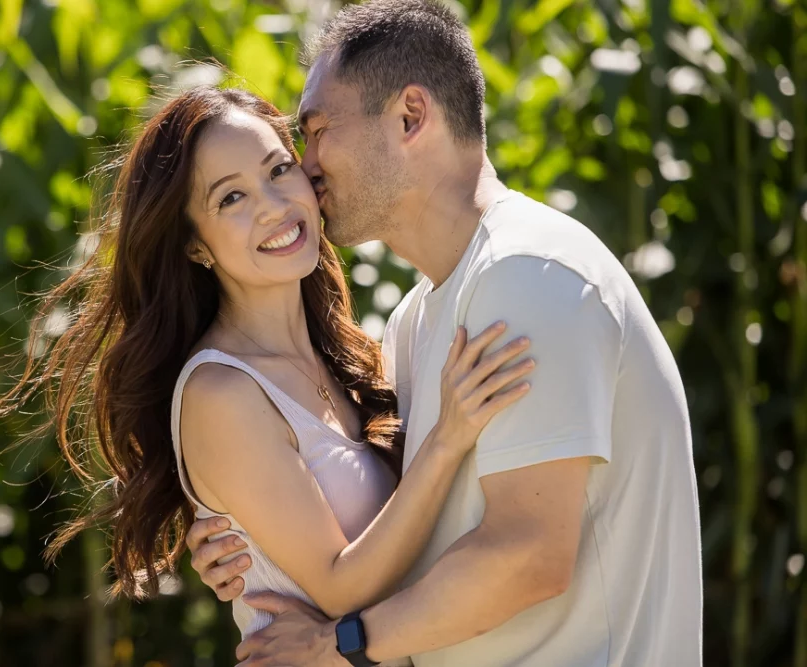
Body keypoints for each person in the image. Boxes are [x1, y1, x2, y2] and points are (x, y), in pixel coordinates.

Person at [186, 1, 704, 665]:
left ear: (410, 116)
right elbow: (389, 519)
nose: (305, 167)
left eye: (314, 132)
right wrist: (249, 542)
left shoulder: (529, 275)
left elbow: (528, 555)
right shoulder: (415, 321)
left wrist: (341, 642)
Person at [0, 83, 534, 658]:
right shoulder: (220, 394)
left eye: (278, 170)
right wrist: (446, 440)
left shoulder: (354, 357)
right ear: (195, 246)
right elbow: (341, 584)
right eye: (230, 199)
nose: (273, 206)